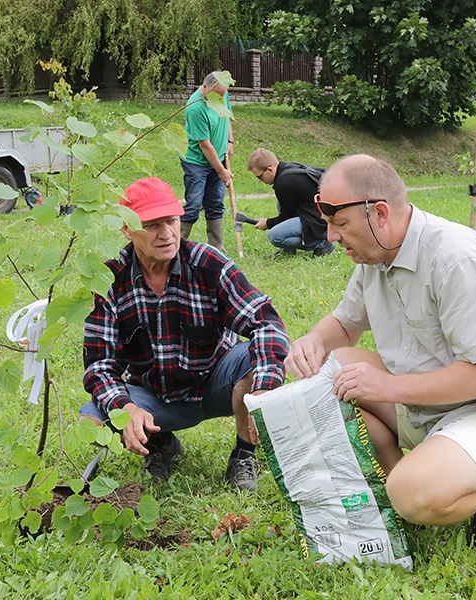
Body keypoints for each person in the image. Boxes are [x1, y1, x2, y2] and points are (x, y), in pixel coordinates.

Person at [284, 155, 476, 550]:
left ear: (379, 213)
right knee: (328, 367)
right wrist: (314, 341)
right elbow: (344, 325)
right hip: (425, 405)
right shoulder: (375, 254)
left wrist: (387, 387)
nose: (330, 237)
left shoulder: (456, 257)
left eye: (340, 225)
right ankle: (406, 478)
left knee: (411, 493)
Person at [80, 177, 289, 491]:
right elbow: (98, 365)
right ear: (127, 229)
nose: (166, 234)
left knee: (254, 358)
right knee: (92, 418)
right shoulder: (110, 280)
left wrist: (263, 391)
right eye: (152, 225)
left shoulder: (209, 264)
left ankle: (244, 454)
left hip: (215, 383)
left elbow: (267, 323)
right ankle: (161, 443)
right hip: (154, 394)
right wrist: (126, 408)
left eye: (172, 221)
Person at [180, 71, 235, 253]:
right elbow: (205, 145)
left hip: (219, 158)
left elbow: (226, 117)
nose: (222, 97)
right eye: (218, 94)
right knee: (194, 205)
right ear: (206, 88)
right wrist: (221, 171)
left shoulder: (221, 94)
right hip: (197, 163)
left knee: (216, 204)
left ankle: (217, 248)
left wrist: (229, 141)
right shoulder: (195, 108)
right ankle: (176, 245)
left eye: (223, 94)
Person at [245, 148, 334, 257]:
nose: (259, 180)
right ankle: (288, 249)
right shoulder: (288, 169)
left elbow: (285, 217)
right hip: (317, 214)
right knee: (280, 202)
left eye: (259, 176)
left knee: (275, 236)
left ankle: (321, 243)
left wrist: (267, 223)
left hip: (320, 222)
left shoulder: (284, 183)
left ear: (270, 169)